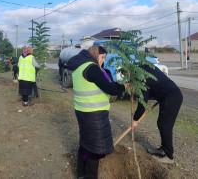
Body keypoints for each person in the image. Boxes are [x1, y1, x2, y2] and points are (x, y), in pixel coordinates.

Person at [67, 45, 130, 179]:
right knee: (95, 148)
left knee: (85, 144)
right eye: (102, 57)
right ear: (95, 55)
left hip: (82, 111)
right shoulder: (92, 68)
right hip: (94, 114)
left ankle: (81, 174)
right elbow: (109, 88)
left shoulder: (79, 67)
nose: (103, 61)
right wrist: (124, 87)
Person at [133, 65, 183, 164]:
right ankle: (163, 149)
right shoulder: (144, 67)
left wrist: (135, 119)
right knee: (161, 124)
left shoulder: (141, 78)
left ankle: (169, 156)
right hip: (169, 96)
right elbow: (156, 84)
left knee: (165, 126)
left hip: (172, 98)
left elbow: (143, 103)